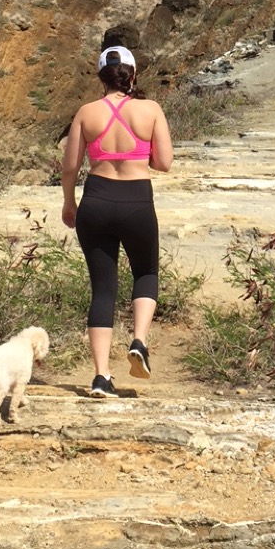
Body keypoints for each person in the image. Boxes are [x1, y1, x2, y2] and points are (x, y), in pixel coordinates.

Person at [61, 45, 174, 397]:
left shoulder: (86, 113)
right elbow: (165, 163)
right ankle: (139, 341)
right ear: (133, 74)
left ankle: (101, 377)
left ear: (100, 76)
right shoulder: (150, 109)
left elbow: (69, 166)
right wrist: (139, 155)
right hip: (137, 199)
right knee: (146, 273)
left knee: (103, 289)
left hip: (95, 200)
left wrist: (69, 203)